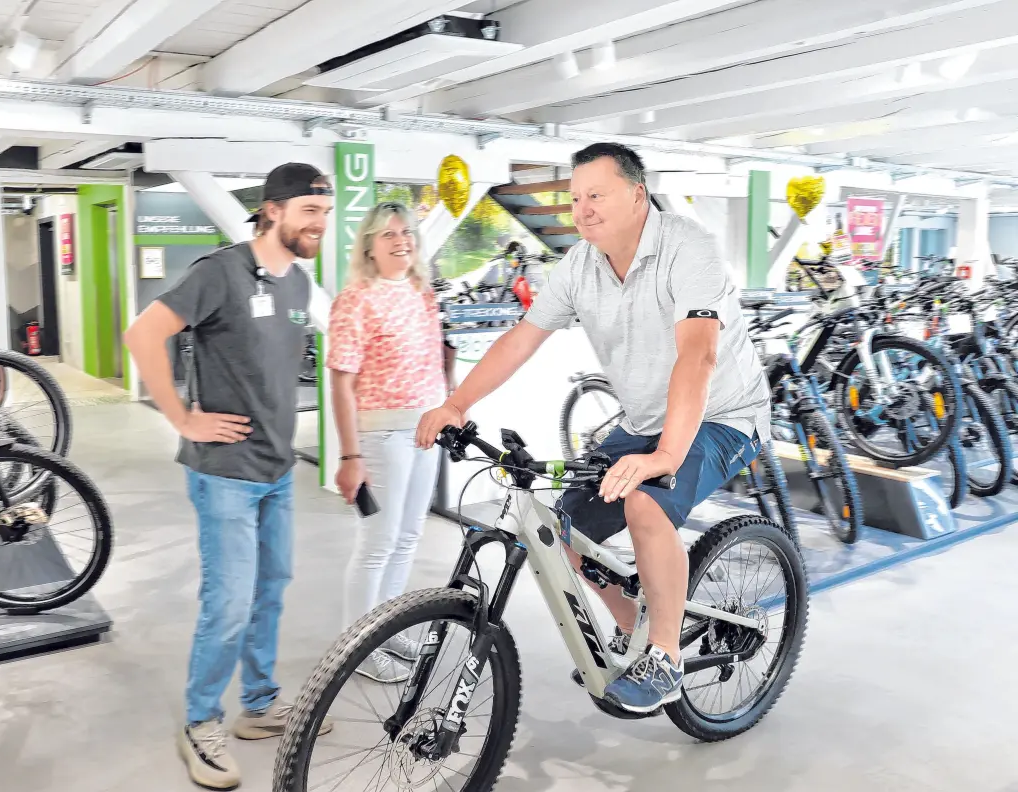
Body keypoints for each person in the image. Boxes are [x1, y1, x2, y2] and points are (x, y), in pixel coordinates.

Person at [416, 142, 770, 714]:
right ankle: (638, 630)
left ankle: (665, 659)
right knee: (562, 533)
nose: (582, 209)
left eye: (595, 195)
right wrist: (456, 403)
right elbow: (522, 337)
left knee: (646, 504)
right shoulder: (580, 264)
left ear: (636, 194)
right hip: (642, 418)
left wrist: (665, 458)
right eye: (575, 199)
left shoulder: (687, 247)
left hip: (724, 415)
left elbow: (699, 355)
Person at [124, 163, 335, 791]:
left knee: (272, 586)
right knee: (229, 601)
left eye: (325, 212)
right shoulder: (220, 271)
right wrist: (182, 418)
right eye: (309, 211)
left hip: (275, 467)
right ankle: (200, 721)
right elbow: (143, 334)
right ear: (273, 210)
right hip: (225, 474)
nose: (320, 223)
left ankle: (262, 704)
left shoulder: (298, 283)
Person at [326, 202, 452, 684]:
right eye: (388, 234)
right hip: (381, 435)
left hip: (426, 430)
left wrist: (449, 407)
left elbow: (435, 361)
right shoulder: (356, 298)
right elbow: (340, 383)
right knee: (378, 542)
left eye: (407, 232)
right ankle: (356, 645)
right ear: (369, 247)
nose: (401, 240)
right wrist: (350, 455)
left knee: (407, 538)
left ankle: (386, 627)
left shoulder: (422, 293)